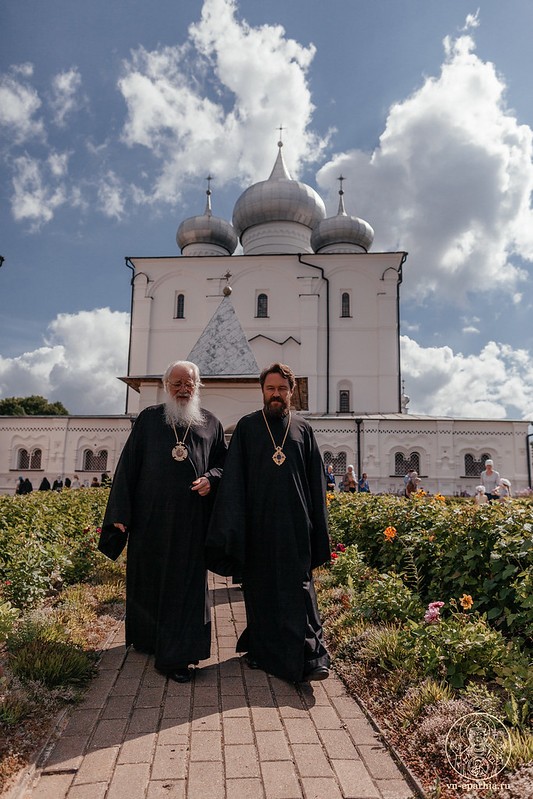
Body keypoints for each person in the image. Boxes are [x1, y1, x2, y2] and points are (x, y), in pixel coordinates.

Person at [98, 360, 226, 683]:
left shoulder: (211, 424)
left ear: (198, 387)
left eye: (189, 384)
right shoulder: (148, 419)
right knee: (150, 580)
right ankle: (149, 639)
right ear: (166, 386)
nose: (183, 389)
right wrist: (120, 515)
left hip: (190, 524)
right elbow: (128, 466)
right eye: (177, 384)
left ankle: (177, 657)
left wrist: (211, 478)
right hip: (150, 521)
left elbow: (225, 465)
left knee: (184, 587)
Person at [206, 362, 331, 684]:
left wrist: (318, 525)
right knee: (260, 589)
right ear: (262, 391)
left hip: (295, 525)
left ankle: (312, 654)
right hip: (258, 525)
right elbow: (234, 479)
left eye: (282, 389)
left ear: (292, 392)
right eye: (270, 389)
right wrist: (233, 525)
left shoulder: (303, 429)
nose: (276, 394)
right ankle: (261, 650)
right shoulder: (248, 427)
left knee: (299, 588)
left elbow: (316, 482)